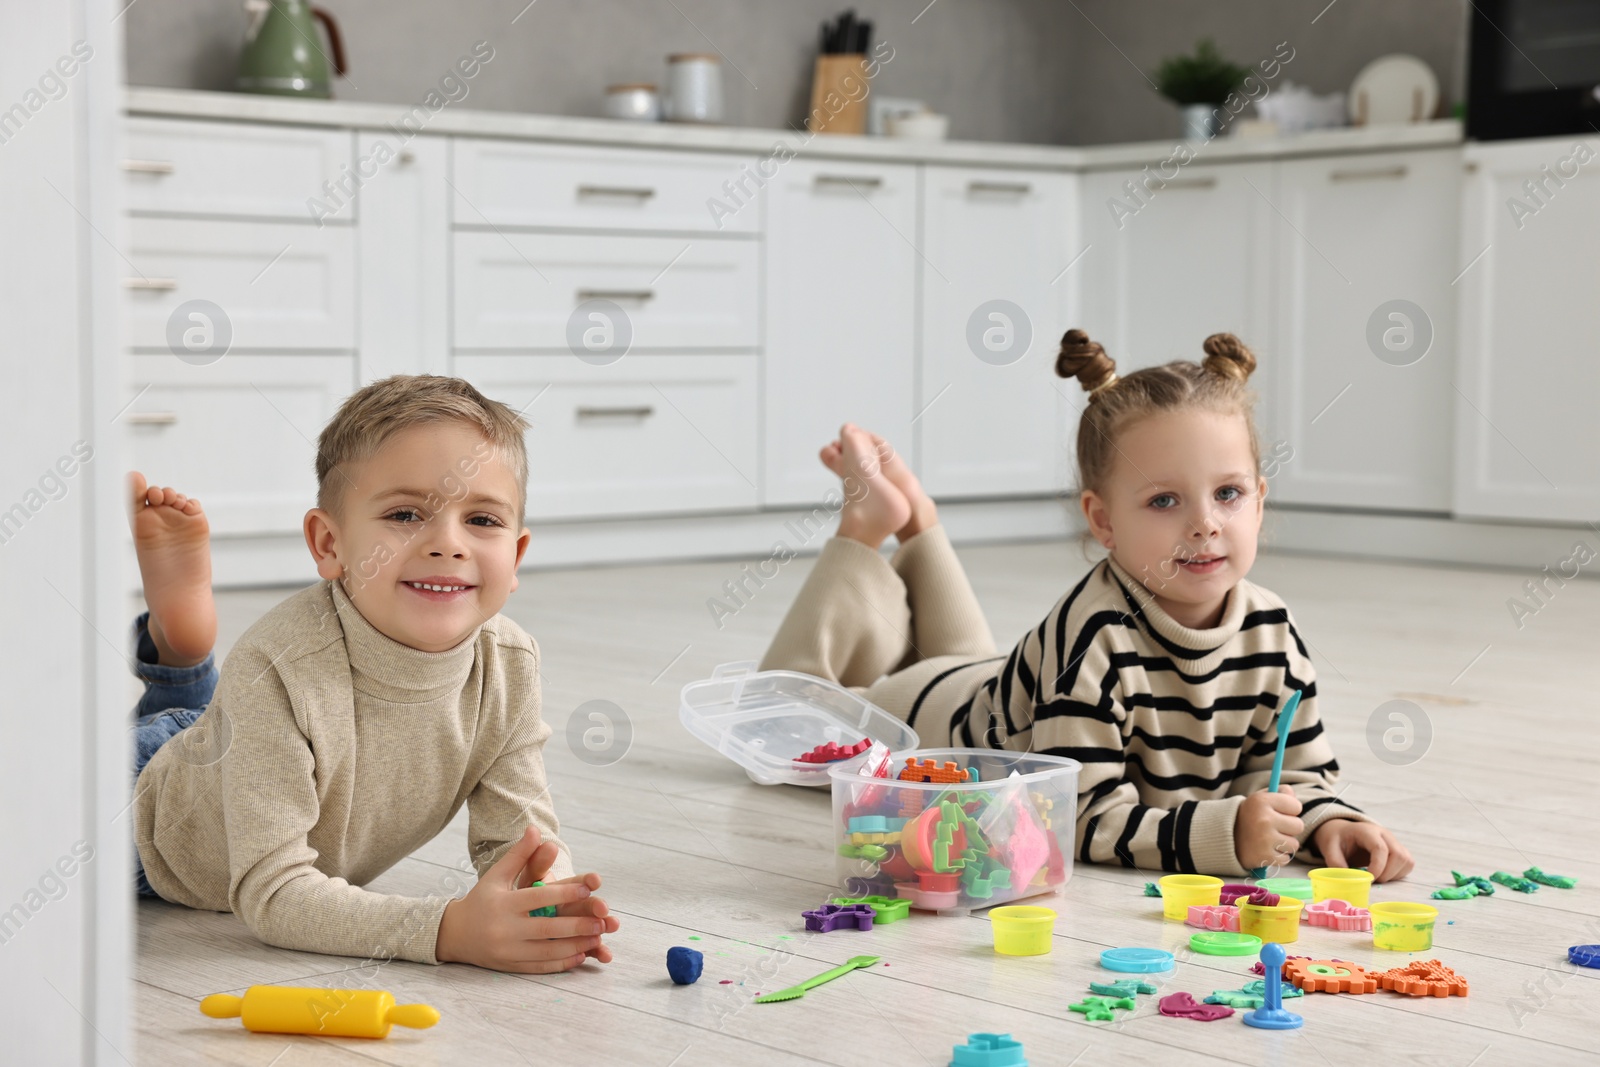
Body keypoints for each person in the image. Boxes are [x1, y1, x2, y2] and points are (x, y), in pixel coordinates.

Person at [758, 330, 1413, 880]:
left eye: (1229, 493)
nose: (1206, 523)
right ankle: (866, 529)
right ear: (1103, 521)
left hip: (998, 681)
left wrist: (1330, 822)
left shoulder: (1273, 628)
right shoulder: (1095, 636)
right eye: (1164, 500)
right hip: (933, 717)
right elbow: (1073, 817)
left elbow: (1299, 772)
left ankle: (919, 520)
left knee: (973, 656)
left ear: (1261, 498)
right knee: (789, 716)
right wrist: (1223, 835)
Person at [129, 374, 620, 971]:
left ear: (515, 557)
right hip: (138, 821)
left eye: (483, 521)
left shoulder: (509, 663)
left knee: (212, 732)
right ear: (329, 543)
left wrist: (548, 903)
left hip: (230, 744)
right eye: (406, 513)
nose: (448, 543)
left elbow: (517, 840)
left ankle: (181, 660)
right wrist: (445, 930)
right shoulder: (276, 665)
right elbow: (274, 893)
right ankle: (183, 659)